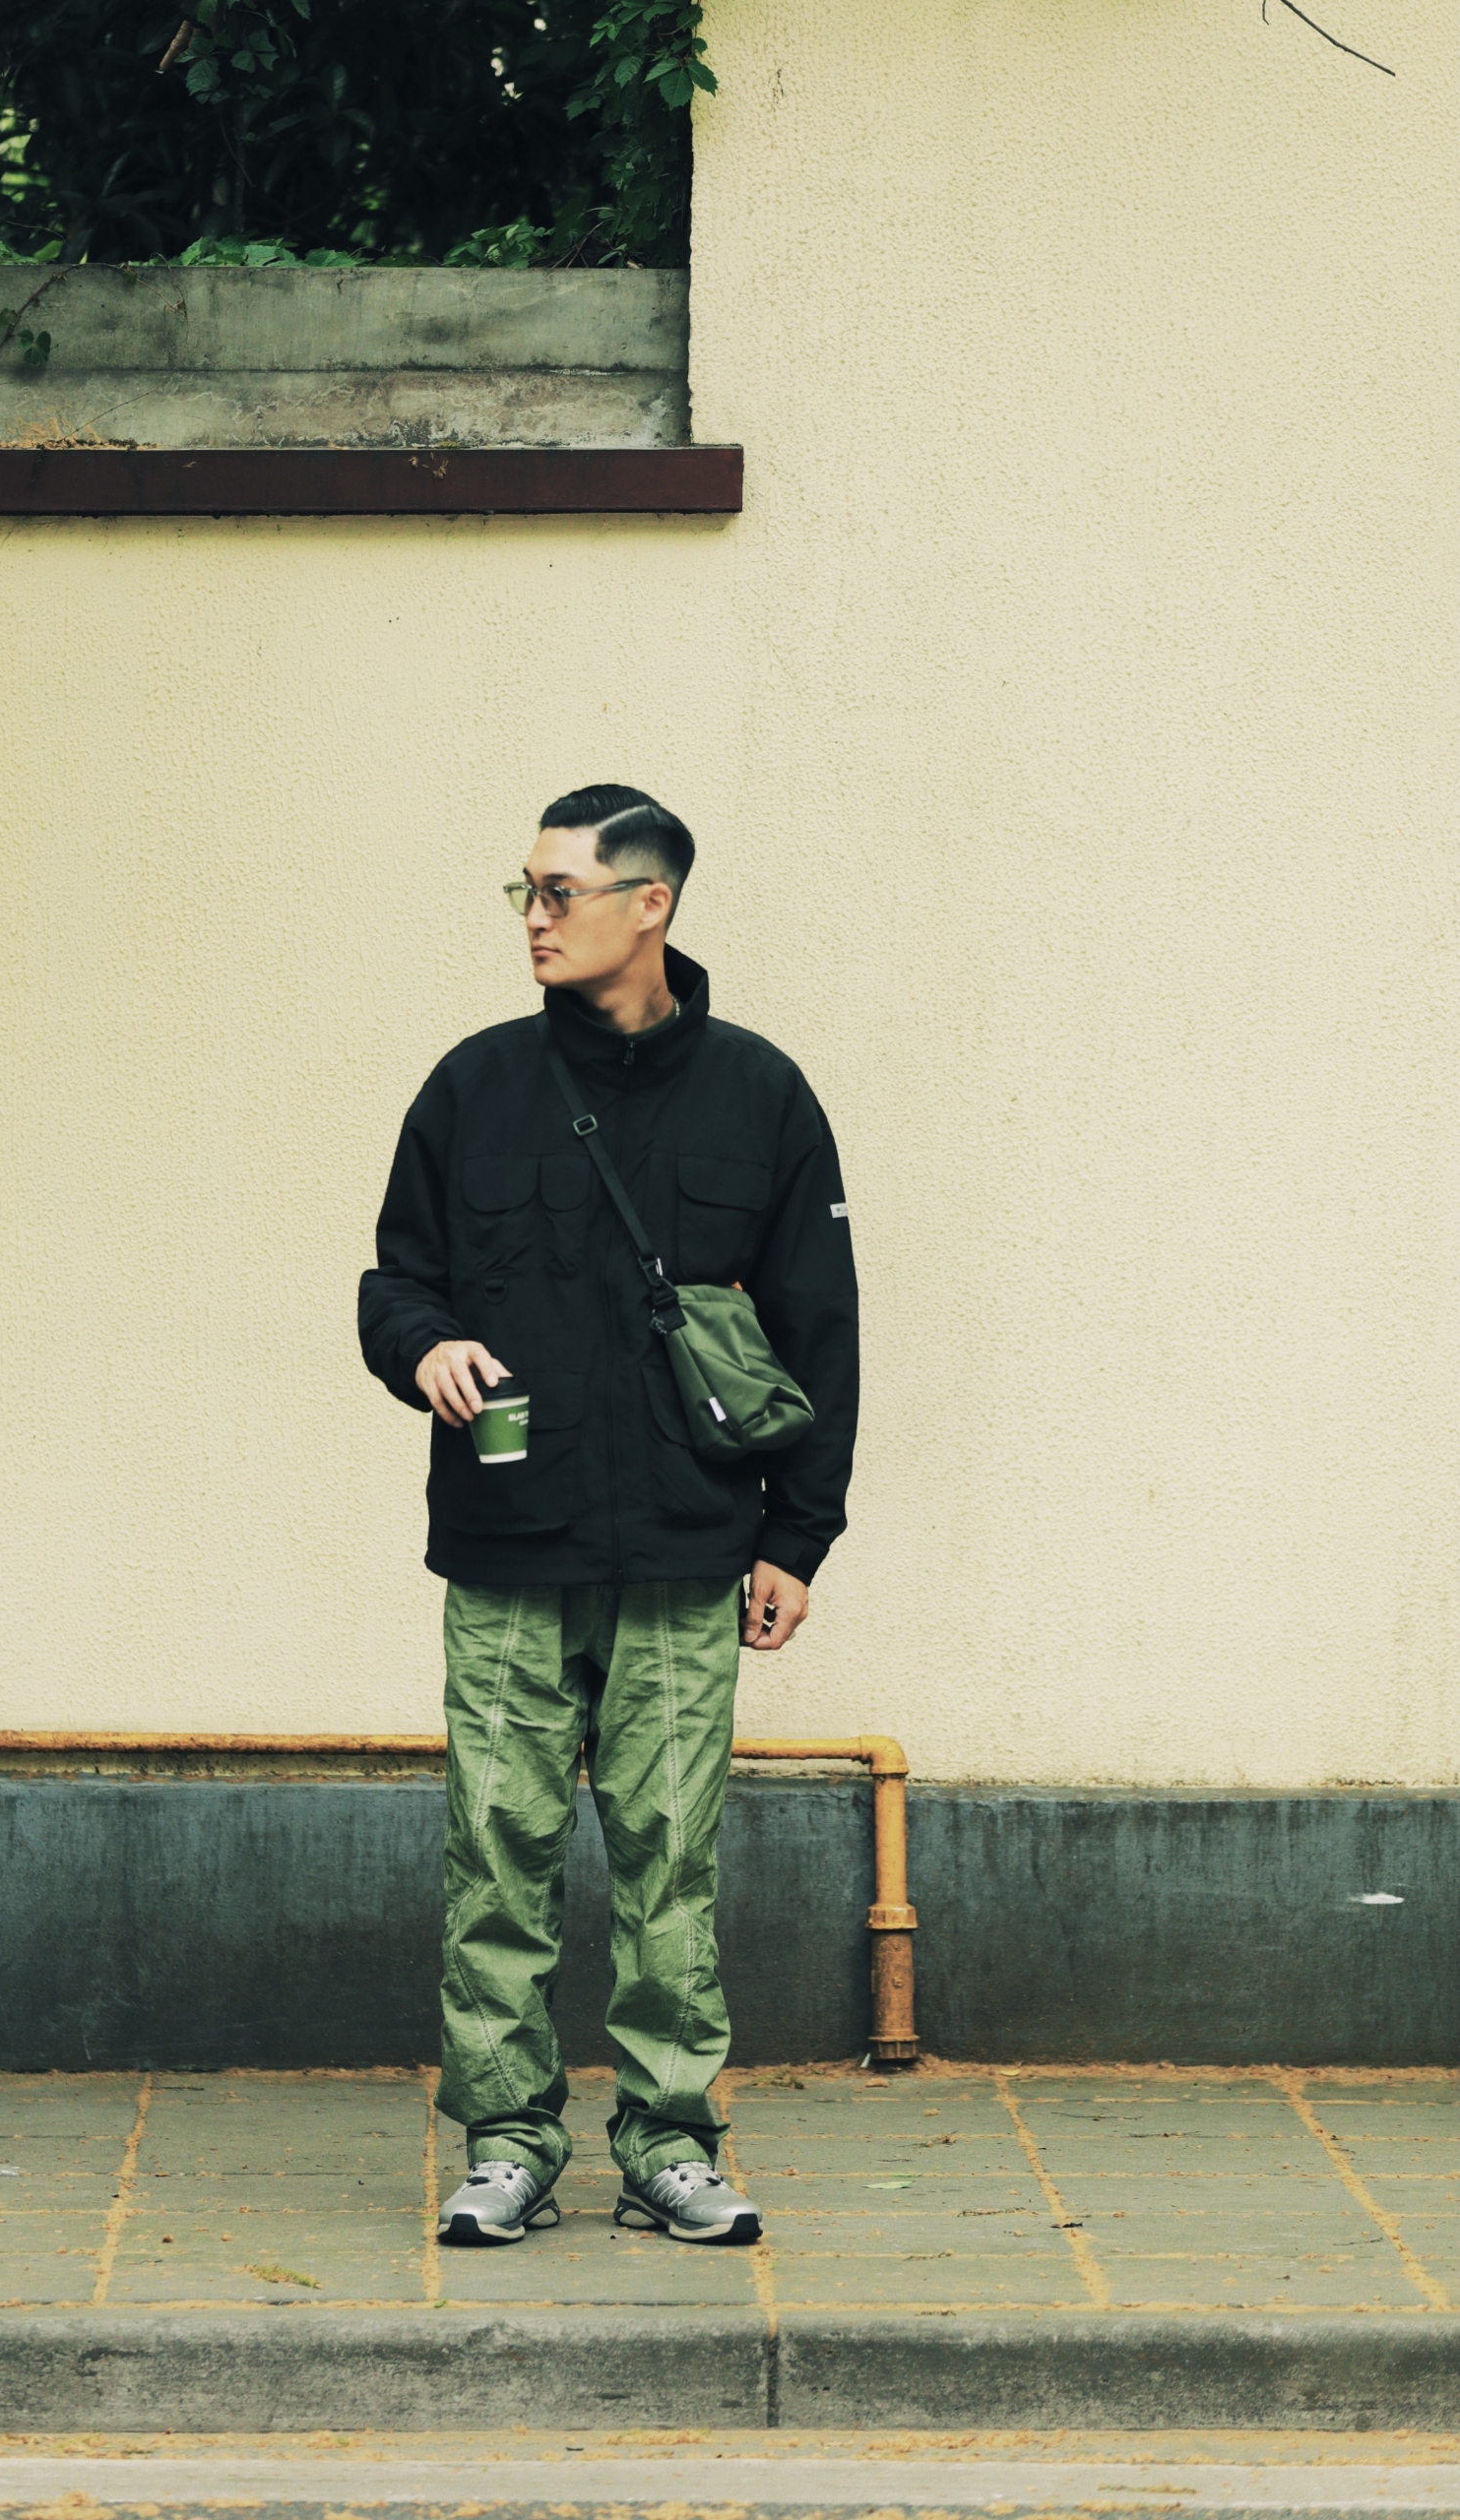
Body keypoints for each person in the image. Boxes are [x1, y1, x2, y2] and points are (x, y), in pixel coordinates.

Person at [357, 786, 858, 2248]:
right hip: (510, 1545)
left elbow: (820, 1331)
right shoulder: (474, 1087)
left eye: (559, 891)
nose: (533, 916)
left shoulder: (761, 1095)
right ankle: (507, 2142)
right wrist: (423, 1346)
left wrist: (796, 1537)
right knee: (495, 1855)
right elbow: (394, 1279)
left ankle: (669, 2146)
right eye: (522, 889)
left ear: (652, 904)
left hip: (688, 1549)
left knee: (670, 1864)